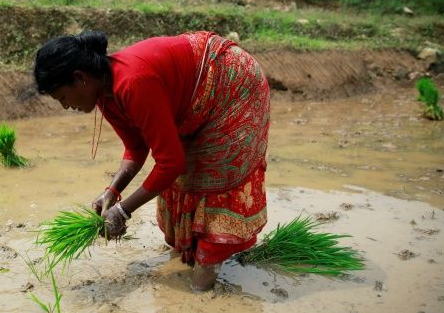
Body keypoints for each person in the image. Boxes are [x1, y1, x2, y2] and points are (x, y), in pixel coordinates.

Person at [34, 31, 270, 291]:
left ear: (80, 79)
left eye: (63, 98)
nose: (66, 106)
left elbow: (170, 163)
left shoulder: (133, 83)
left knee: (212, 181)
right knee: (183, 180)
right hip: (196, 98)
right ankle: (191, 261)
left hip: (232, 85)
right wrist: (111, 193)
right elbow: (136, 149)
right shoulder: (106, 93)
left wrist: (123, 211)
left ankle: (202, 288)